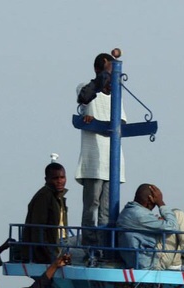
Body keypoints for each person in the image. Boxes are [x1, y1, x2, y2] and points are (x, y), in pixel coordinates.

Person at [76, 51, 125, 241]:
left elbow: (122, 123)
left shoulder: (117, 96)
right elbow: (84, 98)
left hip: (112, 163)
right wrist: (101, 77)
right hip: (93, 162)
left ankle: (104, 247)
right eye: (108, 72)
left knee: (107, 211)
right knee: (91, 208)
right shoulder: (85, 89)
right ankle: (90, 246)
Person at [115, 184, 184, 270]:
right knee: (178, 214)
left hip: (139, 259)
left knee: (172, 226)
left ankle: (179, 261)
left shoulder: (129, 211)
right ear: (150, 199)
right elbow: (172, 226)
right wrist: (161, 203)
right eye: (155, 201)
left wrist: (158, 221)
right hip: (151, 262)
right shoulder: (140, 215)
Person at [22, 162, 70, 263]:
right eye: (55, 178)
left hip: (61, 241)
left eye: (62, 177)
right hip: (51, 247)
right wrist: (50, 255)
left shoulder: (58, 196)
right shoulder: (43, 197)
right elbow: (38, 230)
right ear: (47, 179)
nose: (60, 181)